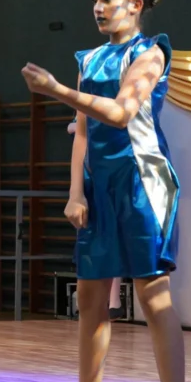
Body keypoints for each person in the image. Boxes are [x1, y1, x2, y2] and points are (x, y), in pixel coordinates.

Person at [21, 0, 184, 382]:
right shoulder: (90, 59)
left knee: (153, 298)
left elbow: (120, 113)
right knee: (91, 300)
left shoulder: (150, 54)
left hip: (142, 183)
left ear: (136, 5)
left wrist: (55, 89)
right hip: (99, 186)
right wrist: (76, 191)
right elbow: (82, 131)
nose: (98, 7)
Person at [67, 118, 124, 321]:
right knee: (95, 242)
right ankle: (103, 303)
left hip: (119, 175)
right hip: (92, 177)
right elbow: (74, 127)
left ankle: (114, 301)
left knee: (116, 243)